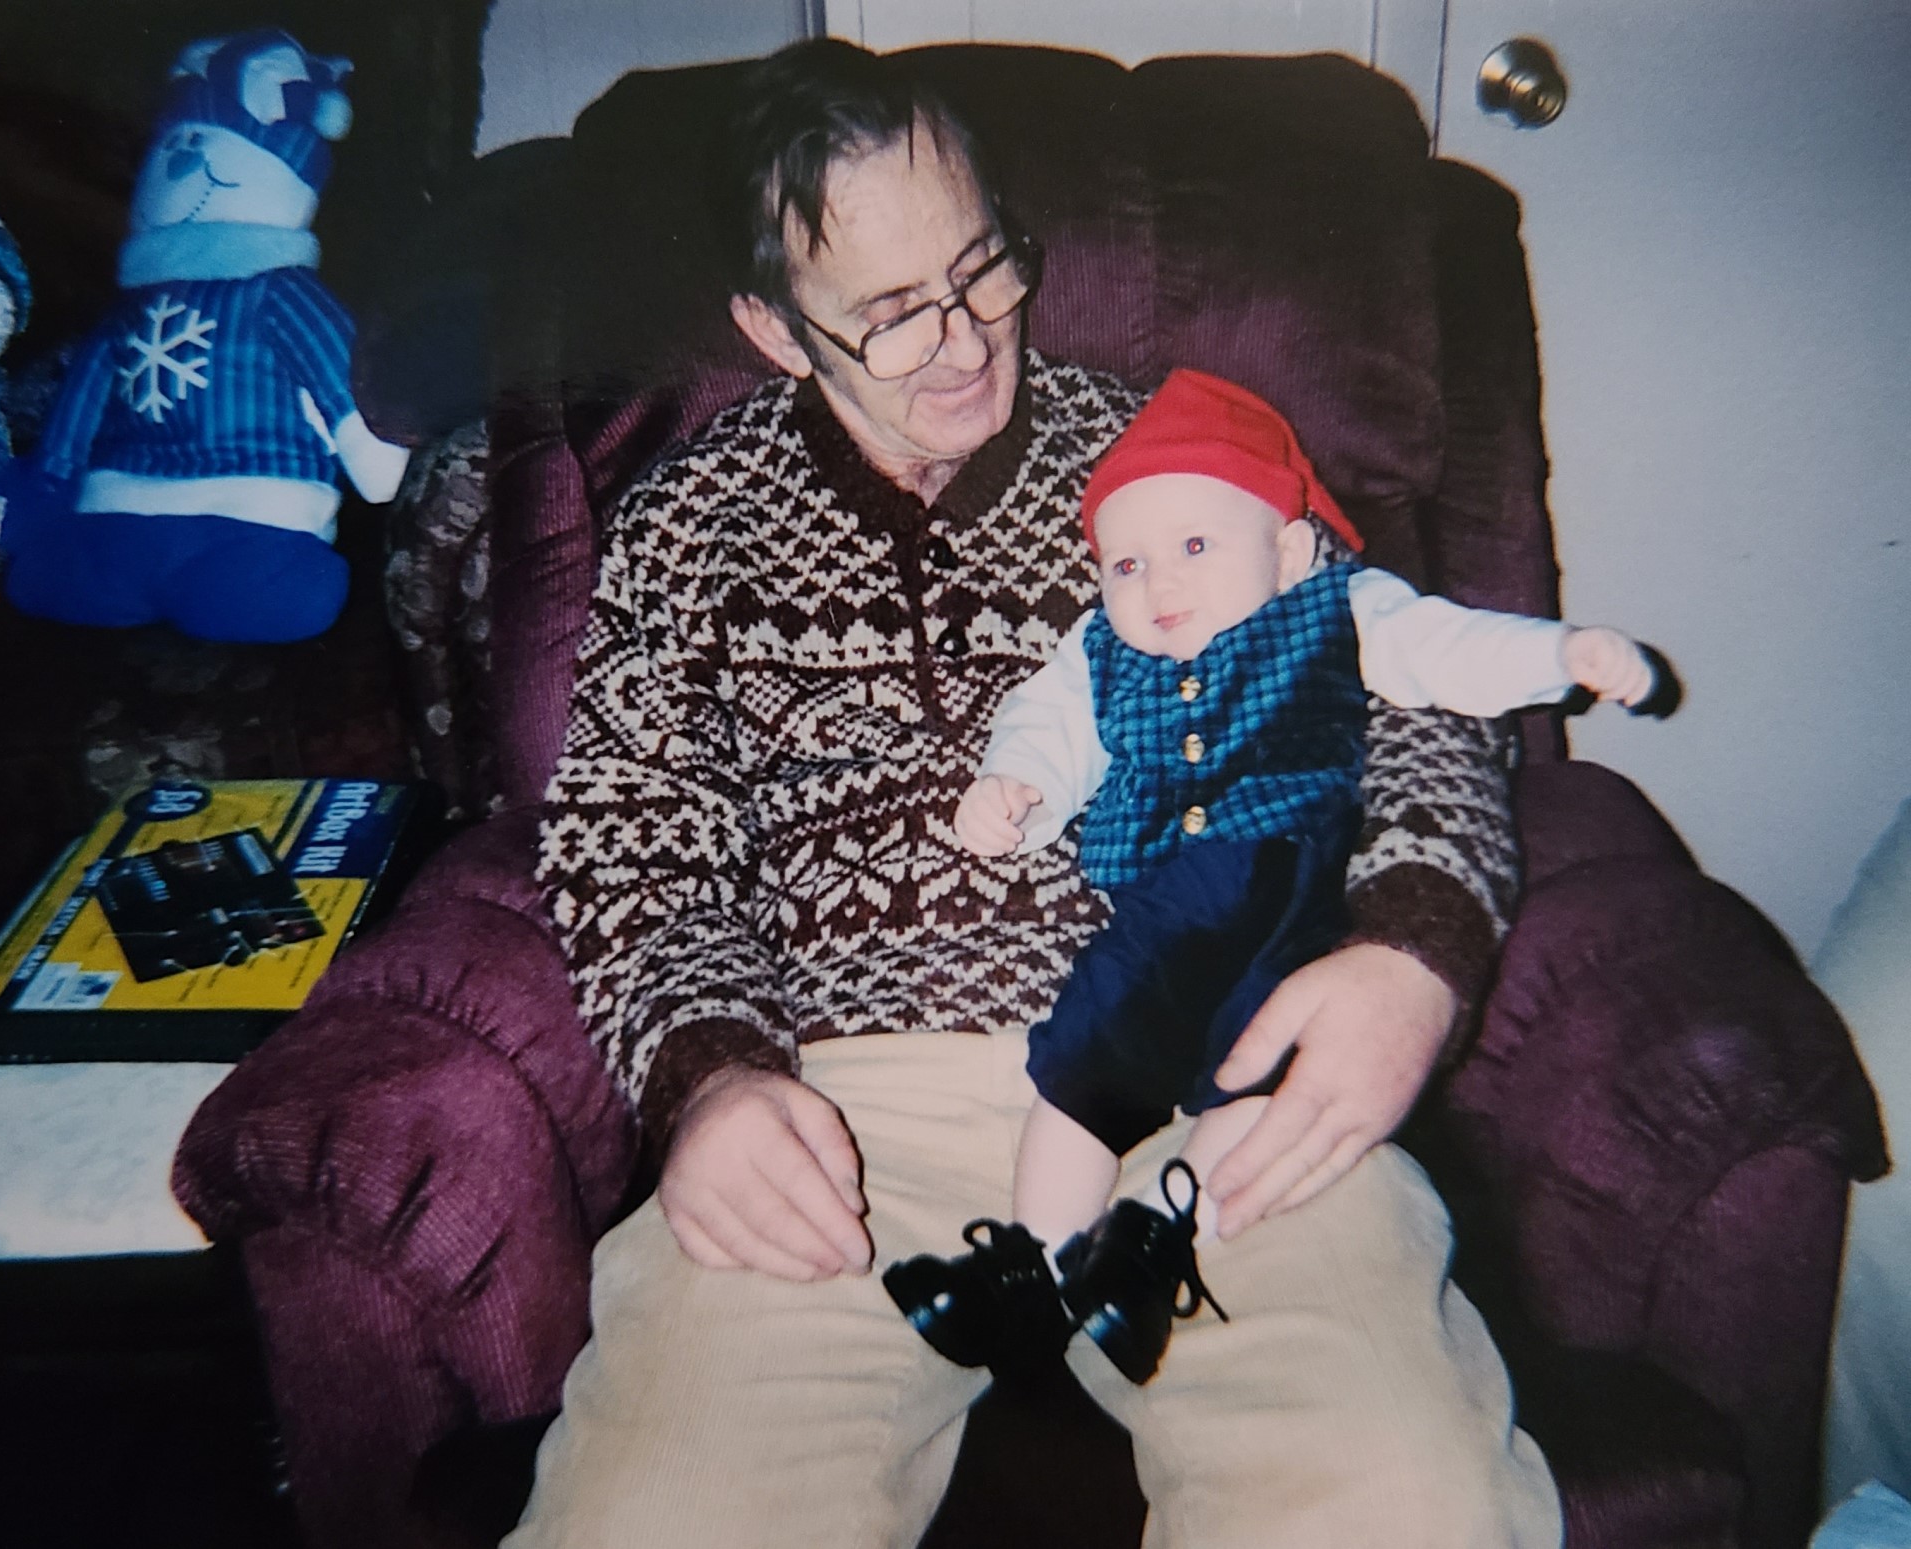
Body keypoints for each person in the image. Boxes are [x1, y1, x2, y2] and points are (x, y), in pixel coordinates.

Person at [509, 37, 1561, 1549]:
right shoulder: (688, 523)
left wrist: (1412, 952)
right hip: (843, 1114)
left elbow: (1408, 687)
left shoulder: (1175, 455)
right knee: (657, 1519)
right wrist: (710, 1078)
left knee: (1400, 1503)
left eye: (981, 269)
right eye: (888, 314)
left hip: (1203, 1072)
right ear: (772, 329)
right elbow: (630, 838)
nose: (961, 342)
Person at [885, 368, 1661, 1386]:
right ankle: (1033, 1265)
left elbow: (1443, 648)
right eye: (1125, 564)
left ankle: (1154, 1241)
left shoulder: (1335, 606)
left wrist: (1562, 655)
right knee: (1082, 1073)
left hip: (1303, 900)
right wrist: (1015, 788)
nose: (1157, 586)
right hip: (1165, 908)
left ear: (1288, 551)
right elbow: (1049, 721)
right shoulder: (1100, 648)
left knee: (1267, 1085)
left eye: (1195, 547)